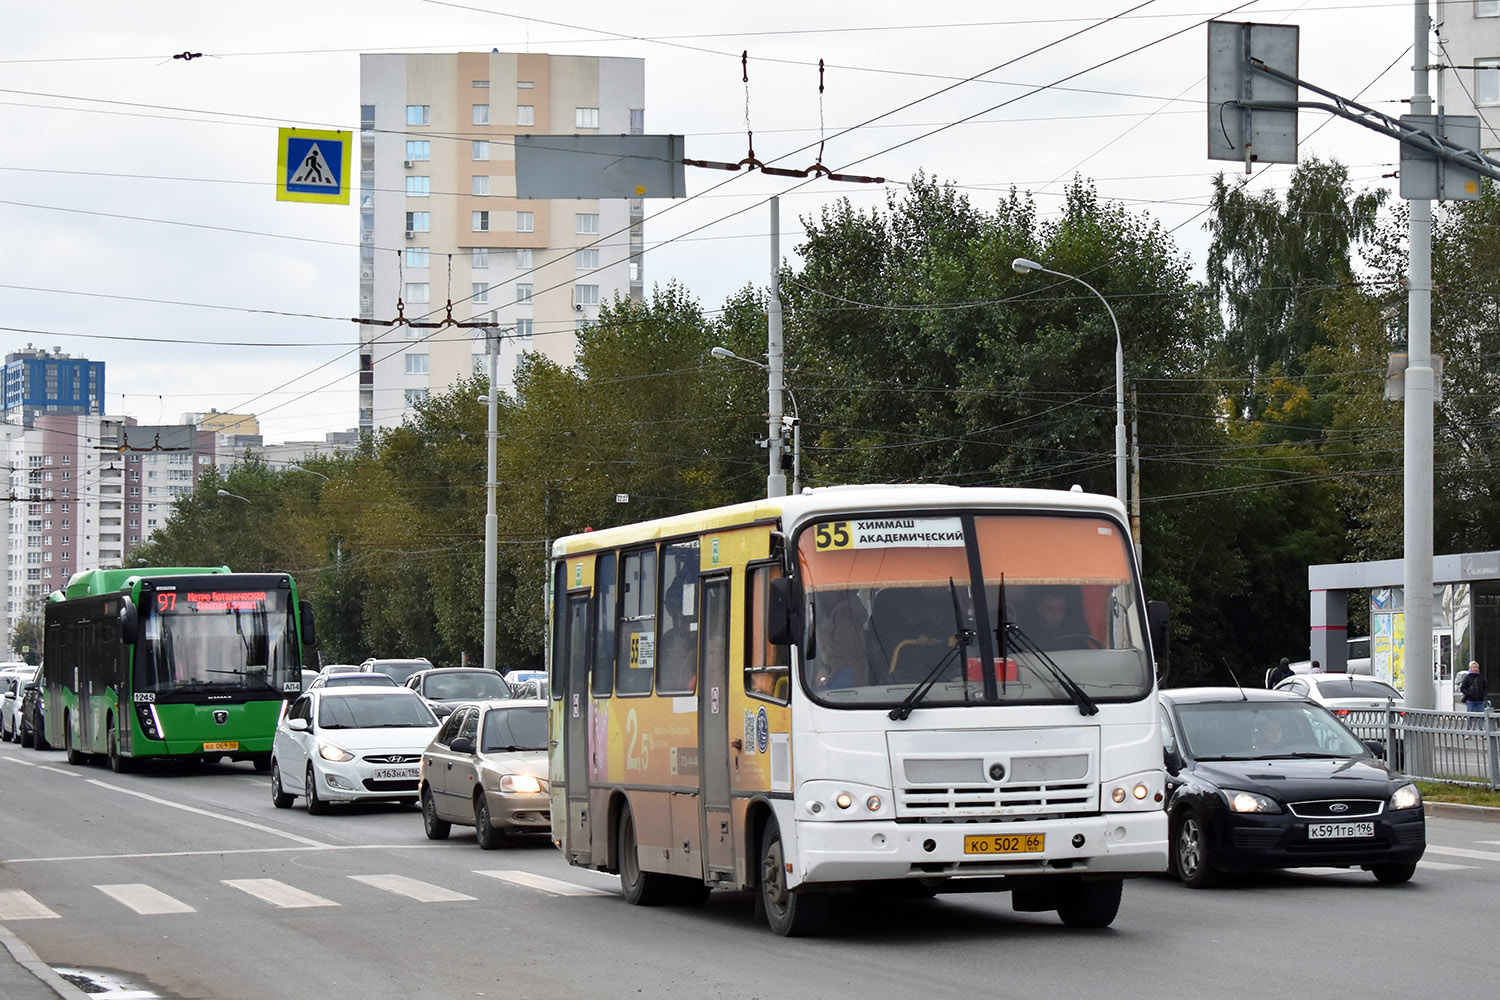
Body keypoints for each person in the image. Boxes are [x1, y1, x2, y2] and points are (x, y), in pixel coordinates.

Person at [1460, 661, 1489, 732]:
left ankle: (1480, 730)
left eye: (1476, 667)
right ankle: (1468, 731)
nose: (1475, 668)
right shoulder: (1467, 678)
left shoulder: (1481, 677)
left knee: (1481, 716)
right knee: (1469, 716)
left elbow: (1486, 687)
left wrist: (1483, 694)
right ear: (1470, 668)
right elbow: (1463, 688)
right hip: (1470, 701)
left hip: (1480, 700)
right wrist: (1468, 694)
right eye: (1474, 667)